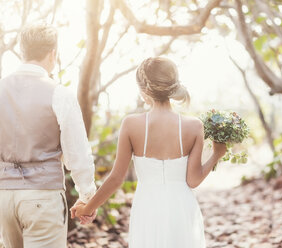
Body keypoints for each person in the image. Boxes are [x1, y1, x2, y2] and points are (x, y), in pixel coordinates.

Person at [71, 57, 227, 248]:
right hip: (182, 207)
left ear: (144, 91)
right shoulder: (194, 126)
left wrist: (88, 208)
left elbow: (116, 178)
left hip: (148, 206)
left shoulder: (131, 124)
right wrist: (216, 155)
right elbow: (193, 180)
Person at [0, 23, 96, 248]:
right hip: (42, 197)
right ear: (53, 54)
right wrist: (87, 197)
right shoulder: (59, 94)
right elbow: (77, 154)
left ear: (23, 52)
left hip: (4, 197)